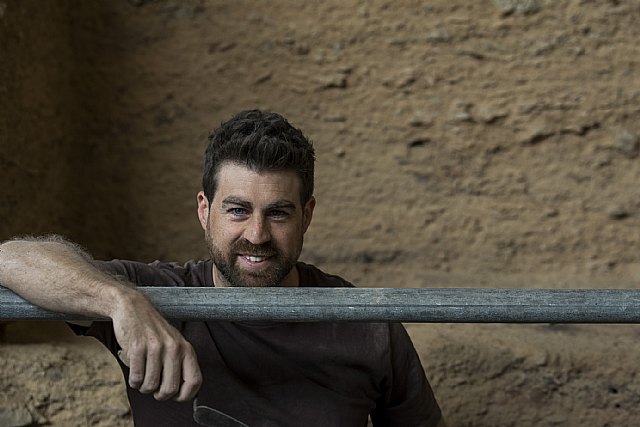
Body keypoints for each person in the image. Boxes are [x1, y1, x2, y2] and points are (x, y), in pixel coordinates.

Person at [0, 110, 445, 426]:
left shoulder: (368, 325)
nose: (257, 234)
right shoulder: (156, 294)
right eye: (237, 210)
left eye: (278, 213)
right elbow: (9, 258)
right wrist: (121, 302)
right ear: (204, 210)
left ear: (306, 215)